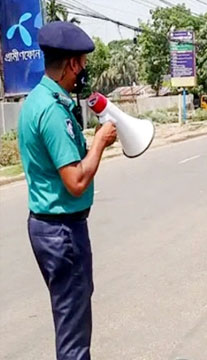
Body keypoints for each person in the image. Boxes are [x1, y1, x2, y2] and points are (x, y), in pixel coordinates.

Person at [16, 21, 118, 360]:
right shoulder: (52, 111)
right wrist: (101, 141)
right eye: (83, 63)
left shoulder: (37, 99)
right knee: (74, 330)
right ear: (72, 63)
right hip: (62, 232)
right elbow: (75, 181)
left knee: (68, 313)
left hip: (47, 227)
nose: (84, 70)